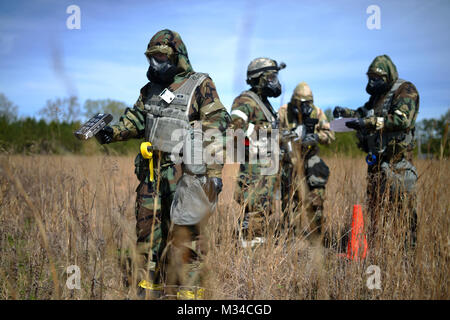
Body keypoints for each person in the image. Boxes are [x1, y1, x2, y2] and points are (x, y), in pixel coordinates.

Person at [96, 29, 230, 298]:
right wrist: (112, 133)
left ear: (177, 56)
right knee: (148, 233)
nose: (155, 63)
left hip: (187, 174)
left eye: (161, 57)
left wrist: (214, 173)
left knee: (187, 235)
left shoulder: (200, 84)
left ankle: (188, 294)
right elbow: (135, 119)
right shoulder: (149, 90)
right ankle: (150, 287)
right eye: (151, 58)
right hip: (152, 173)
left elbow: (216, 125)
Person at [333, 54, 419, 250]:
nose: (372, 82)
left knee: (403, 213)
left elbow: (402, 119)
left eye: (376, 78)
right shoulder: (376, 98)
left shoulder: (405, 90)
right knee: (377, 212)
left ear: (388, 76)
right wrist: (345, 113)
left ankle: (407, 255)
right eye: (369, 77)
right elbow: (362, 114)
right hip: (376, 163)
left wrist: (369, 122)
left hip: (397, 164)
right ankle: (379, 249)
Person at [230, 57, 285, 242]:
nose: (275, 82)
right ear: (258, 78)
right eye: (271, 77)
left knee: (261, 208)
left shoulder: (264, 103)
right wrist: (267, 131)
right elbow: (234, 126)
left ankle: (253, 244)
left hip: (266, 166)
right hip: (255, 167)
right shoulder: (245, 100)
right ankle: (250, 251)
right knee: (255, 208)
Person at [278, 82, 335, 244]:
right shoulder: (283, 112)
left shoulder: (317, 112)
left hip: (311, 160)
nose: (303, 108)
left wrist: (317, 137)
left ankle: (317, 235)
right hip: (289, 160)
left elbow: (330, 135)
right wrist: (284, 137)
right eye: (300, 104)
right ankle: (290, 237)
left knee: (316, 197)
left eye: (307, 103)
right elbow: (271, 133)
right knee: (290, 200)